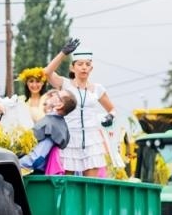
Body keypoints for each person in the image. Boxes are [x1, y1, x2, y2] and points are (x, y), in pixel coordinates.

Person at [43, 39, 117, 176]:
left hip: (91, 140)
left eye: (87, 64)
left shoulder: (97, 89)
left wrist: (110, 116)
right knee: (67, 184)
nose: (84, 67)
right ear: (72, 67)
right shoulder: (65, 84)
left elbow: (112, 109)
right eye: (80, 64)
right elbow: (47, 72)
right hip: (70, 139)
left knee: (90, 186)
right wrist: (63, 54)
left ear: (91, 68)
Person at [17, 90, 75, 173]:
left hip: (37, 177)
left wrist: (12, 163)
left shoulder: (52, 126)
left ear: (59, 105)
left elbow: (36, 158)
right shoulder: (54, 122)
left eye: (56, 94)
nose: (52, 94)